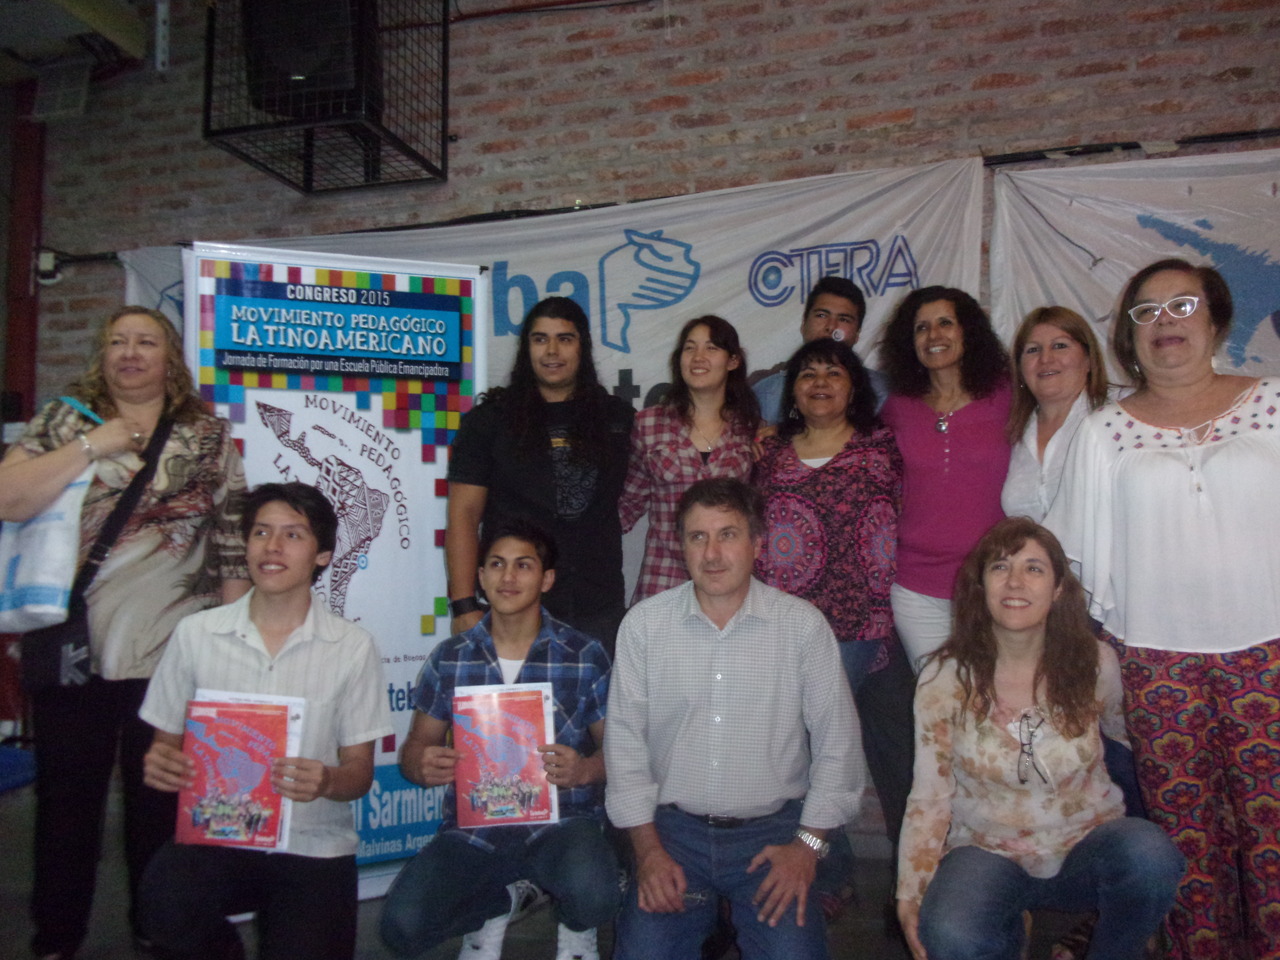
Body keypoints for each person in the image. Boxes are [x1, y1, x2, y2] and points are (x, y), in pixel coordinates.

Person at [1047, 258, 1280, 960]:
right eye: (1146, 312)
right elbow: (1074, 561)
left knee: (1274, 835)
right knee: (1188, 840)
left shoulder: (1272, 404)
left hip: (1269, 654)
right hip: (1158, 664)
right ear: (1129, 336)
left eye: (1182, 305)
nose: (1164, 322)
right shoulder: (1104, 432)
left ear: (1216, 320)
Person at [0, 306, 250, 960]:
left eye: (145, 342)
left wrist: (227, 646)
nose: (130, 353)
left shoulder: (205, 436)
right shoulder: (65, 420)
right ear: (102, 354)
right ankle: (56, 938)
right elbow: (6, 498)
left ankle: (157, 924)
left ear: (169, 359)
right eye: (117, 341)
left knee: (158, 801)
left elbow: (231, 543)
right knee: (65, 803)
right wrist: (92, 446)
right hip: (73, 646)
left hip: (170, 650)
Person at [896, 517, 1184, 960]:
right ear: (980, 586)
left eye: (1033, 568)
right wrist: (910, 892)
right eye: (1000, 567)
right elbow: (930, 795)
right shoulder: (944, 676)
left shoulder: (1094, 664)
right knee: (949, 934)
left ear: (1058, 589)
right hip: (986, 849)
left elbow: (1122, 737)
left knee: (1150, 856)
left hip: (1085, 844)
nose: (1015, 582)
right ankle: (1010, 933)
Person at [605, 477, 864, 960]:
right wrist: (647, 852)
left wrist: (807, 848)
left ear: (757, 544)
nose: (712, 554)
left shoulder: (802, 627)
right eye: (697, 537)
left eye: (727, 534)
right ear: (680, 546)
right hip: (672, 836)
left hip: (772, 837)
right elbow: (624, 748)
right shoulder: (644, 626)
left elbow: (839, 748)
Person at [137, 482, 392, 960]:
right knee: (164, 904)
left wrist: (326, 780)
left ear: (322, 555)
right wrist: (163, 762)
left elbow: (359, 774)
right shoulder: (196, 634)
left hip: (312, 842)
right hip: (219, 833)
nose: (272, 547)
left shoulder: (352, 647)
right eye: (261, 532)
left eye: (293, 535)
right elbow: (164, 744)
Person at [380, 518, 618, 960]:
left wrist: (584, 769)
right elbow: (415, 749)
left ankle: (575, 922)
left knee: (596, 895)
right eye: (496, 564)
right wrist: (422, 764)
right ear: (481, 577)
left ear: (546, 579)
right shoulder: (451, 657)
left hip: (562, 823)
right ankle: (499, 903)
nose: (508, 577)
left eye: (523, 565)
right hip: (475, 829)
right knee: (402, 927)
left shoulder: (584, 655)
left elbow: (620, 752)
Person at [445, 296, 634, 652]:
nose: (552, 351)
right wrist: (463, 604)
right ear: (526, 348)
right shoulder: (489, 421)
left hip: (599, 608)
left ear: (582, 347)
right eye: (540, 339)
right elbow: (463, 516)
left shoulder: (616, 418)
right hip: (514, 606)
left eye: (565, 338)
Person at [754, 337, 901, 696]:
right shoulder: (769, 451)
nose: (820, 382)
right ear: (793, 393)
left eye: (833, 373)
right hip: (782, 615)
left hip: (856, 616)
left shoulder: (883, 445)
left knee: (832, 715)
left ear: (853, 390)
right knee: (784, 717)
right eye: (808, 374)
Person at [880, 286, 1011, 669]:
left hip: (994, 580)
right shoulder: (896, 408)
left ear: (967, 331)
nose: (934, 335)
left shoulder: (1008, 397)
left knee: (997, 691)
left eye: (945, 323)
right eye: (921, 328)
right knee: (938, 695)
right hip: (915, 586)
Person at [619, 315, 759, 603]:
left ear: (732, 361)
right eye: (689, 348)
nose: (698, 357)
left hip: (727, 579)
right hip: (664, 579)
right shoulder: (648, 423)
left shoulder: (750, 427)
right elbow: (628, 505)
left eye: (711, 348)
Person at [1001, 307, 1115, 523]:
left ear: (1089, 360)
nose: (1046, 358)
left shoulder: (1117, 418)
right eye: (1033, 350)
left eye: (1060, 346)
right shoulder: (1013, 434)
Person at [752, 276, 887, 423]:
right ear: (803, 324)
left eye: (844, 319)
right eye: (821, 315)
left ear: (857, 334)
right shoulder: (765, 391)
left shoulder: (885, 392)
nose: (831, 327)